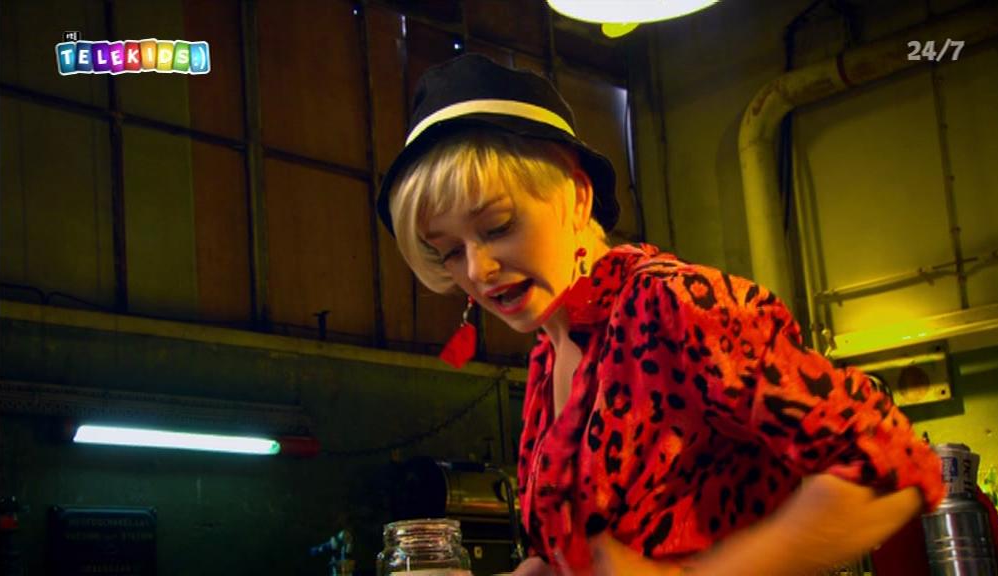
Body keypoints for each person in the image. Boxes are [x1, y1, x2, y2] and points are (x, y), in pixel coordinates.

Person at [375, 53, 945, 576]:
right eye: (449, 251)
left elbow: (887, 462)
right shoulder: (552, 351)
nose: (477, 269)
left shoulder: (673, 304)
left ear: (577, 194)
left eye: (497, 226)